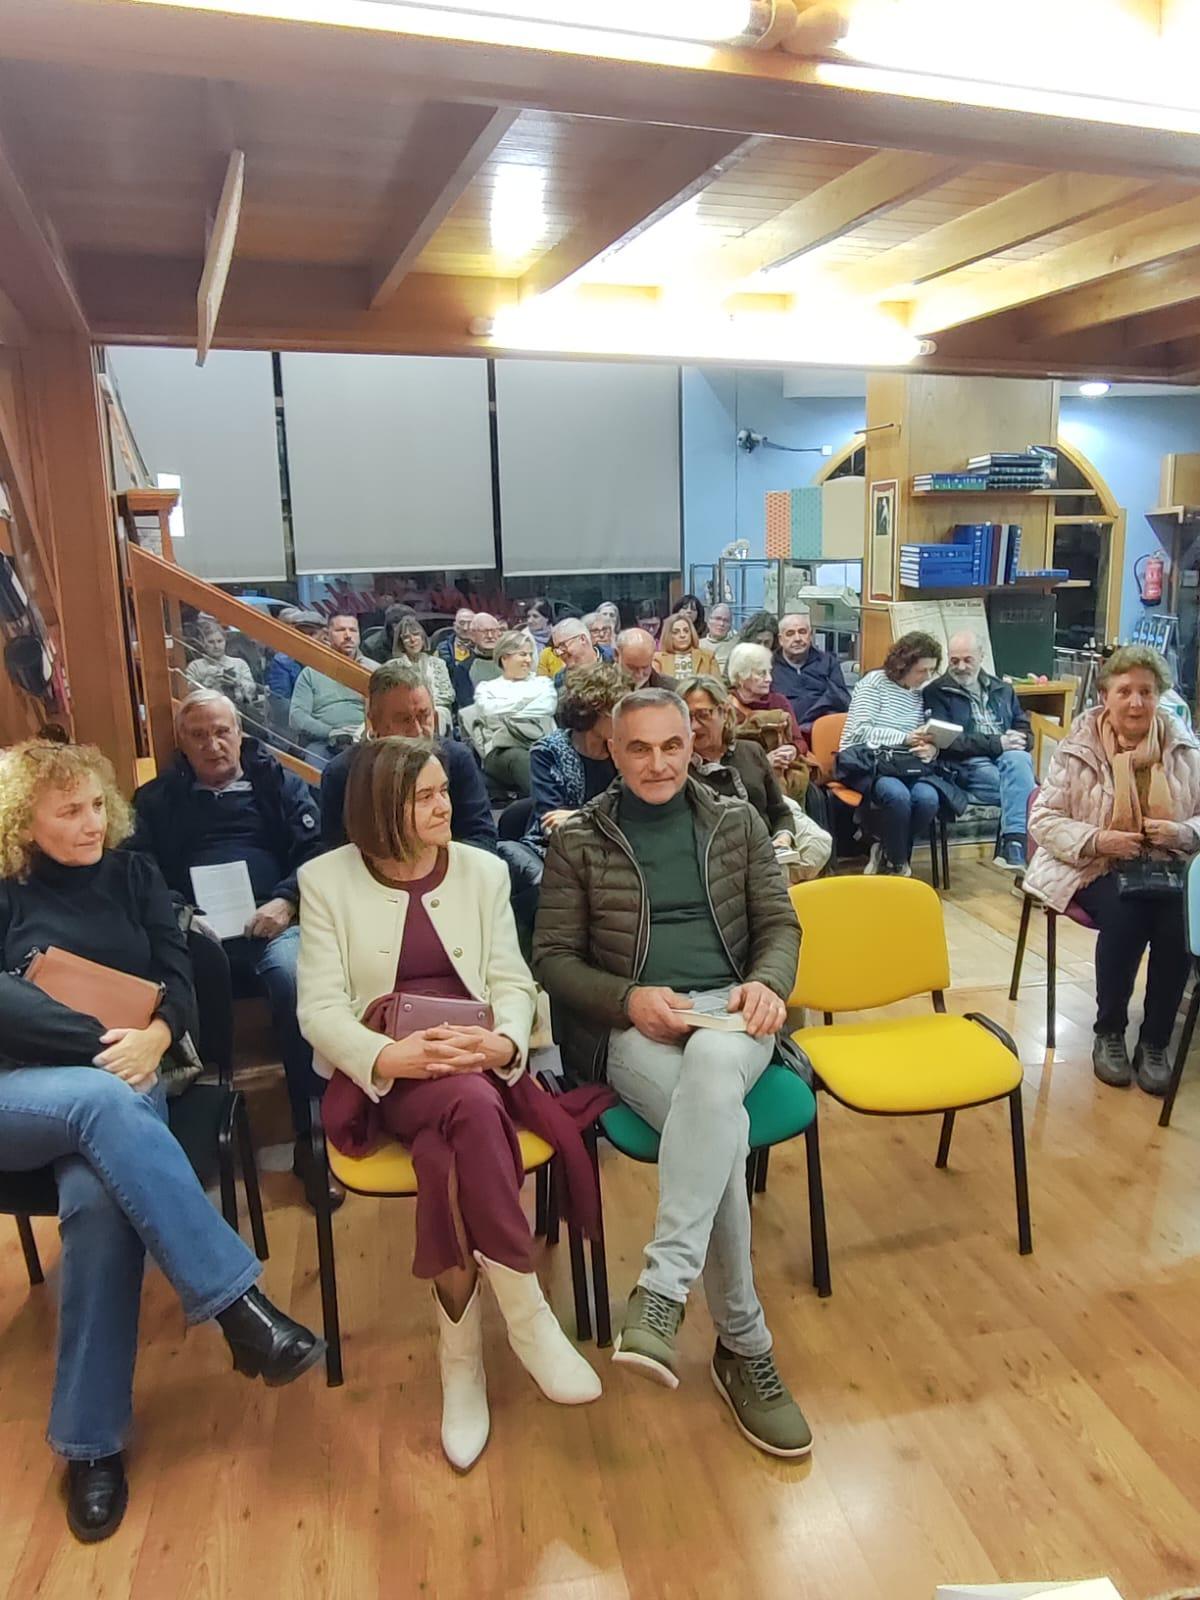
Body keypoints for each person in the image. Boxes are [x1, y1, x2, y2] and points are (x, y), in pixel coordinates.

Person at [0, 740, 323, 1542]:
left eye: (96, 806)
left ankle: (91, 1446)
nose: (92, 822)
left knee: (97, 1201)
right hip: (21, 1093)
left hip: (129, 1074)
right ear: (23, 821)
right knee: (104, 1099)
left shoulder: (134, 873)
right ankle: (238, 1307)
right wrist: (111, 1042)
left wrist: (161, 1030)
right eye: (69, 811)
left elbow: (180, 970)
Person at [296, 738, 601, 1470]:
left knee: (445, 1152)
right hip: (389, 1069)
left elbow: (511, 978)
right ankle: (525, 1313)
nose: (448, 806)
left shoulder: (482, 871)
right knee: (468, 1105)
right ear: (381, 808)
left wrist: (503, 1041)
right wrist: (388, 1057)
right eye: (426, 796)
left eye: (444, 791)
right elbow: (319, 1009)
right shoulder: (324, 880)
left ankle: (460, 1361)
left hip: (475, 1055)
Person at [533, 688, 811, 1458]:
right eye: (639, 748)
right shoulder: (580, 840)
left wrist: (768, 983)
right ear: (612, 752)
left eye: (671, 746)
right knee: (720, 1134)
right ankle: (743, 1347)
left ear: (692, 745)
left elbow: (780, 924)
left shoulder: (736, 822)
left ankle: (661, 1289)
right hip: (633, 1024)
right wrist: (628, 998)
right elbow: (551, 958)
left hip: (734, 1012)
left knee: (716, 1068)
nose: (657, 763)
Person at [131, 689, 333, 1207]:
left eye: (222, 732)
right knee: (167, 987)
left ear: (240, 733)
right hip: (194, 932)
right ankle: (190, 1145)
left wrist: (288, 901)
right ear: (181, 743)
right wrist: (180, 914)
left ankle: (312, 1136)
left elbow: (318, 852)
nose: (212, 744)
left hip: (272, 922)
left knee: (294, 977)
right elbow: (139, 870)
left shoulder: (278, 784)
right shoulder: (156, 800)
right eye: (198, 735)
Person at [1024, 645, 1200, 1093]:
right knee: (1127, 912)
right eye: (1125, 691)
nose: (1136, 702)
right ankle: (1110, 1032)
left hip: (1168, 865)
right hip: (1090, 863)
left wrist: (1182, 832)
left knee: (1180, 921)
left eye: (1147, 692)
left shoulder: (1184, 749)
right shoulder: (1077, 748)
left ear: (1160, 696)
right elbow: (1043, 819)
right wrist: (1098, 839)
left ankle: (1156, 1041)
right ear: (1105, 696)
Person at [501, 663, 629, 940]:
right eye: (615, 712)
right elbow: (551, 824)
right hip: (555, 853)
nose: (623, 720)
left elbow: (633, 813)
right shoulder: (548, 752)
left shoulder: (626, 749)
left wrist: (579, 817)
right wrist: (605, 819)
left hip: (615, 851)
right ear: (591, 711)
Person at [320, 662, 497, 854]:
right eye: (404, 720)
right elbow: (336, 854)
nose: (417, 731)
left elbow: (482, 839)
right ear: (374, 722)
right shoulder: (342, 773)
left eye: (424, 716)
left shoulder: (457, 759)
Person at [683, 676, 830, 880]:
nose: (694, 726)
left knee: (819, 844)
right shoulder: (680, 767)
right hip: (719, 857)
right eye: (686, 717)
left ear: (724, 712)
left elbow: (779, 811)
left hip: (767, 846)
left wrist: (783, 838)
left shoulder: (751, 751)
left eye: (703, 715)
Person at [924, 630, 1036, 871]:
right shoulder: (936, 692)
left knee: (1018, 758)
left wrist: (1022, 739)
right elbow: (947, 741)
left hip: (1009, 760)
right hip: (967, 765)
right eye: (954, 660)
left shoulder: (1002, 689)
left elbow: (1024, 729)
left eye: (968, 660)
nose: (961, 667)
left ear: (981, 656)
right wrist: (998, 743)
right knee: (1031, 794)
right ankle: (1017, 846)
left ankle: (1014, 844)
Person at [838, 632, 947, 877]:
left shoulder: (921, 692)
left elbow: (923, 733)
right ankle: (898, 865)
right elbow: (860, 732)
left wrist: (931, 748)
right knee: (897, 796)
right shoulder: (874, 683)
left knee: (928, 799)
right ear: (903, 666)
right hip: (867, 760)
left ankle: (885, 848)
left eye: (931, 670)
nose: (927, 676)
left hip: (906, 763)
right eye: (921, 670)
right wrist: (904, 737)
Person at [469, 630, 558, 798]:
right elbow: (495, 721)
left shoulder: (543, 683)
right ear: (505, 658)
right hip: (502, 751)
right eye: (522, 654)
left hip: (542, 743)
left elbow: (547, 711)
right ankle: (549, 805)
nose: (528, 660)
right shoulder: (487, 688)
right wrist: (529, 703)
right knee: (524, 758)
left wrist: (510, 708)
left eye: (530, 654)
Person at [289, 611, 370, 766]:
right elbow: (297, 717)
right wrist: (331, 732)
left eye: (353, 630)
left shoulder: (373, 670)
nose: (348, 636)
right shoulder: (311, 673)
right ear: (328, 635)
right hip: (324, 743)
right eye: (340, 630)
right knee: (315, 763)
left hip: (367, 740)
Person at [771, 612, 851, 736]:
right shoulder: (770, 666)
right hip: (783, 732)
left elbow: (842, 700)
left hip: (821, 731)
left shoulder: (828, 662)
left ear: (811, 635)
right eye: (790, 633)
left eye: (802, 632)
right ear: (781, 640)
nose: (797, 638)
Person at [265, 607, 325, 739]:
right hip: (298, 730)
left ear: (324, 635)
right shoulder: (282, 661)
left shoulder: (335, 660)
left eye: (312, 634)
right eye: (301, 633)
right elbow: (282, 704)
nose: (306, 638)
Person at [394, 615, 455, 734]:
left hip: (435, 708)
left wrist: (425, 707)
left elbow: (447, 695)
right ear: (401, 643)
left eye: (416, 634)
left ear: (423, 638)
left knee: (440, 712)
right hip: (405, 710)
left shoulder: (438, 663)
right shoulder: (393, 666)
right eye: (406, 637)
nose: (412, 640)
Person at [185, 617, 258, 711]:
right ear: (203, 643)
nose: (216, 646)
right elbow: (188, 693)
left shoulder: (239, 664)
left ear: (225, 641)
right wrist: (207, 682)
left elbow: (251, 689)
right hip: (206, 711)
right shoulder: (194, 666)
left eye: (220, 641)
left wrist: (237, 684)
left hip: (237, 710)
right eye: (211, 642)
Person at [453, 613, 504, 708]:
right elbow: (467, 704)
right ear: (472, 635)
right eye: (484, 631)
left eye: (493, 631)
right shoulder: (464, 668)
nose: (490, 636)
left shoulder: (511, 660)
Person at [654, 613, 718, 683]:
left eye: (686, 631)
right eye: (676, 632)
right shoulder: (657, 659)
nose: (682, 635)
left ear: (691, 633)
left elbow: (717, 686)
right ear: (668, 635)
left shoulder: (708, 656)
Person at [550, 617, 610, 687]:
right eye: (557, 648)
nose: (560, 652)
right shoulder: (560, 679)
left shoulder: (614, 660)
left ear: (582, 639)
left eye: (563, 645)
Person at [700, 602, 736, 674]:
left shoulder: (736, 646)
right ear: (708, 621)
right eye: (718, 619)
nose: (721, 624)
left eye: (726, 620)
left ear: (730, 625)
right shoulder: (697, 645)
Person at [437, 607, 476, 672]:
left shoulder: (481, 647)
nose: (465, 628)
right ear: (454, 625)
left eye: (470, 623)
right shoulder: (442, 648)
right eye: (462, 623)